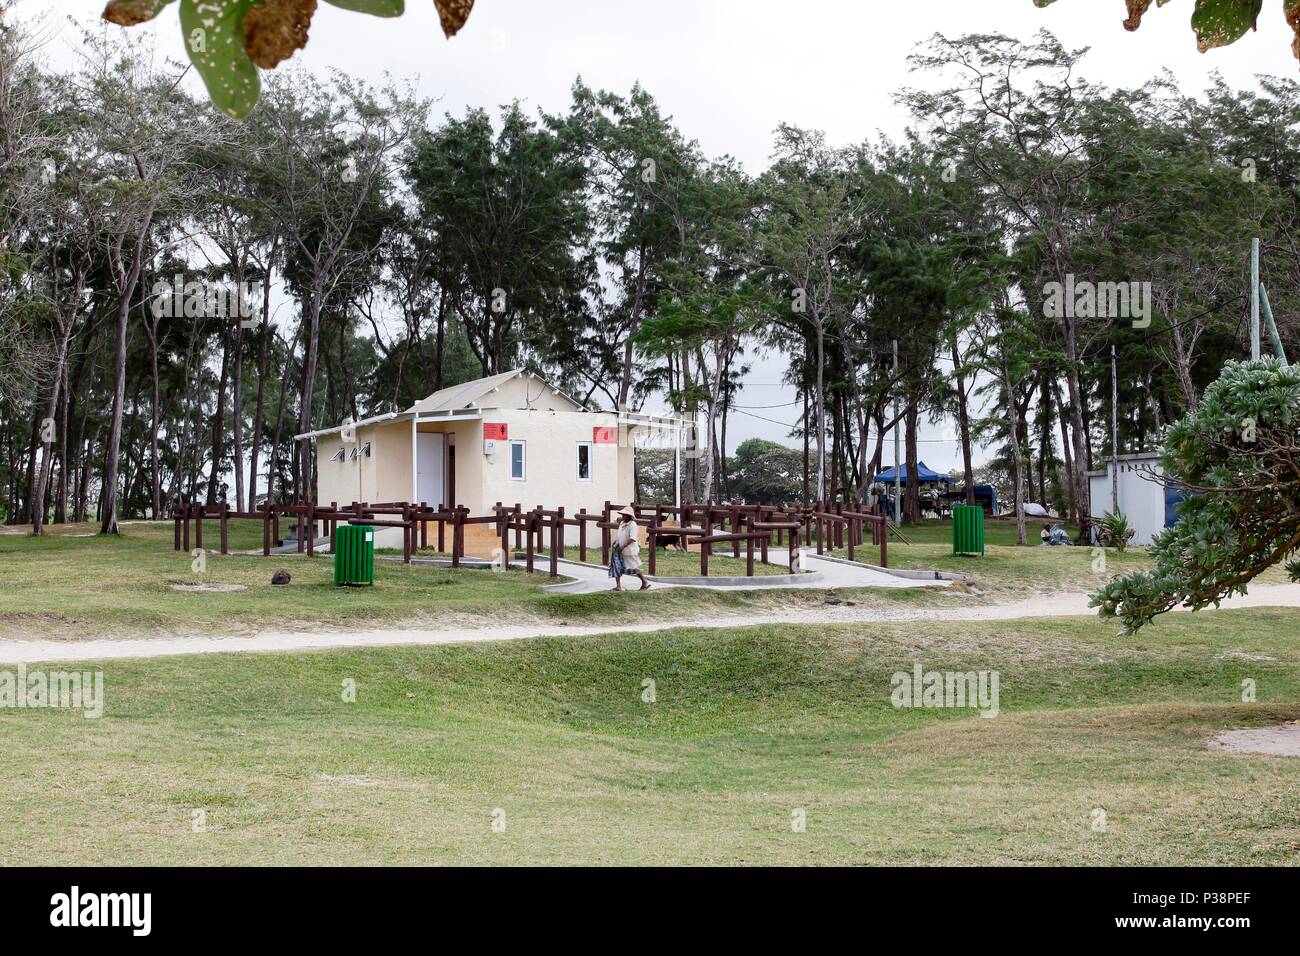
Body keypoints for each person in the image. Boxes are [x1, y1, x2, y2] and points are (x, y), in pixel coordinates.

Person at [610, 506, 650, 591]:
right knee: (616, 565)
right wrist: (616, 542)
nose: (623, 516)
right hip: (619, 548)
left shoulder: (633, 525)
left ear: (629, 516)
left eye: (625, 515)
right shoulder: (622, 523)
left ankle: (644, 582)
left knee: (634, 567)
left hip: (629, 550)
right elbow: (621, 535)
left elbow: (632, 538)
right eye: (623, 514)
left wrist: (623, 546)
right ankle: (618, 586)